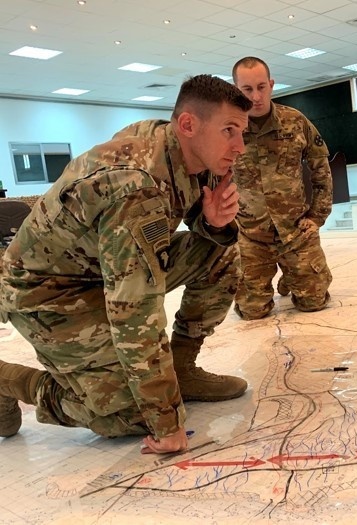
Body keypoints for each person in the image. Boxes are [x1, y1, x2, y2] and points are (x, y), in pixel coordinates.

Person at [0, 74, 253, 455]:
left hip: (99, 267)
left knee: (218, 250)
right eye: (230, 131)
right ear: (188, 124)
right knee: (128, 415)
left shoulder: (175, 143)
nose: (240, 147)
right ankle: (11, 381)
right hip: (48, 292)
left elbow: (182, 215)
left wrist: (211, 222)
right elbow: (133, 313)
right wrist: (166, 422)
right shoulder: (137, 188)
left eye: (242, 132)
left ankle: (183, 370)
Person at [231, 56, 332, 319]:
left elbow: (321, 167)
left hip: (295, 231)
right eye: (247, 89)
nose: (255, 96)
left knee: (313, 303)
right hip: (251, 236)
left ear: (271, 84)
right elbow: (210, 178)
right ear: (235, 89)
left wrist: (317, 216)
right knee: (252, 312)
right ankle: (285, 274)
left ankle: (293, 274)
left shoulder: (295, 122)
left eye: (261, 87)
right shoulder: (229, 129)